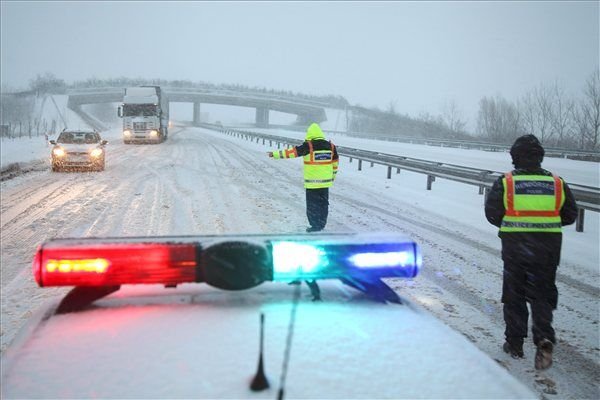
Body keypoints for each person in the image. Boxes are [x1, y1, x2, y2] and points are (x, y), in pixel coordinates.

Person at [484, 134, 578, 370]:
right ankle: (544, 337)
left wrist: (515, 226)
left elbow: (493, 213)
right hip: (547, 251)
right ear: (540, 157)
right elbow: (570, 215)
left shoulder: (506, 182)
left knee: (514, 295)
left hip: (516, 250)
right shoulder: (557, 183)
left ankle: (514, 344)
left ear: (515, 157)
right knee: (542, 296)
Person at [268, 123, 339, 232]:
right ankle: (321, 225)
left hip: (312, 183)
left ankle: (315, 226)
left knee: (312, 206)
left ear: (309, 134)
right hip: (325, 183)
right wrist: (332, 177)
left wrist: (275, 154)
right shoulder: (331, 146)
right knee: (323, 205)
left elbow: (291, 152)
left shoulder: (309, 146)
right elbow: (335, 164)